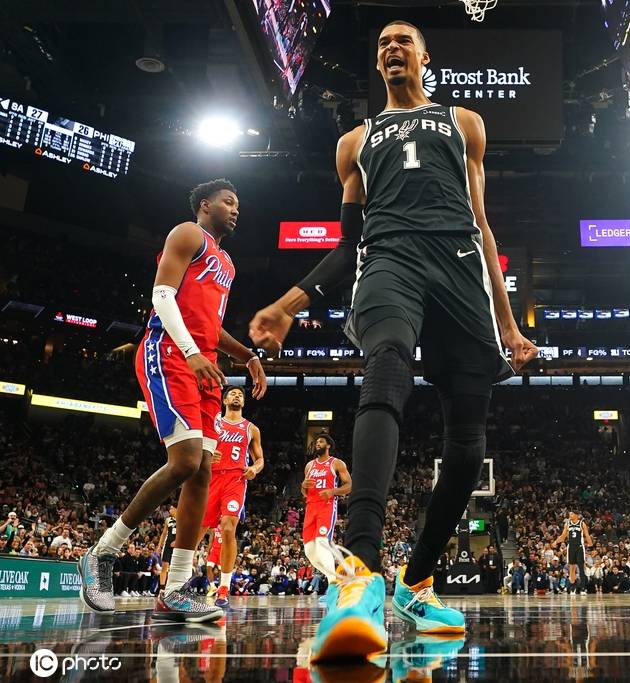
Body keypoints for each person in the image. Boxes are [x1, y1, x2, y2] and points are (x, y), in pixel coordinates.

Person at [248, 20, 536, 660]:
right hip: (388, 261)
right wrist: (290, 303)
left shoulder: (465, 123)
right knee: (385, 368)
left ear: (425, 56)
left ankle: (417, 580)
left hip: (459, 264)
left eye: (403, 39)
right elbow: (348, 244)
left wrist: (509, 323)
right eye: (382, 42)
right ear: (377, 64)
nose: (392, 47)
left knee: (468, 445)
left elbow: (483, 224)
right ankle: (360, 573)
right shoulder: (354, 142)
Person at [79, 178, 266, 622]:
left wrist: (246, 355)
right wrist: (191, 352)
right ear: (205, 205)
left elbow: (210, 325)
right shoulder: (187, 233)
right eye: (228, 201)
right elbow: (162, 296)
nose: (236, 209)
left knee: (202, 470)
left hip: (204, 364)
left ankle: (177, 588)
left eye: (238, 203)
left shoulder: (227, 263)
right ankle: (102, 552)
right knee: (185, 462)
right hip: (169, 352)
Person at [200, 385, 265, 608]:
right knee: (198, 530)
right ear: (225, 400)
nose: (237, 396)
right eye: (232, 394)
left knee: (228, 528)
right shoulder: (213, 421)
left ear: (243, 402)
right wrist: (206, 455)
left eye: (240, 395)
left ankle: (224, 589)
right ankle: (177, 583)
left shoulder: (251, 429)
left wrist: (254, 469)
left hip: (235, 480)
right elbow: (195, 446)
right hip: (211, 478)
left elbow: (260, 460)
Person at [300, 434, 352, 594]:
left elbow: (349, 485)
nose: (317, 444)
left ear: (328, 445)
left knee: (322, 542)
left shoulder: (336, 463)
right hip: (310, 507)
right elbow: (304, 492)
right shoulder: (309, 466)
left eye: (321, 441)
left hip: (326, 507)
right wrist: (303, 485)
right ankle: (336, 579)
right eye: (316, 442)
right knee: (309, 551)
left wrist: (332, 491)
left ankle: (333, 586)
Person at [554, 511, 593, 595]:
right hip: (571, 547)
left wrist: (591, 545)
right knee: (572, 568)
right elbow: (563, 536)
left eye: (571, 514)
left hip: (579, 547)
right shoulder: (567, 524)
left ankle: (583, 588)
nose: (570, 515)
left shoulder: (582, 524)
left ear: (576, 515)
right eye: (569, 514)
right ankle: (573, 587)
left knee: (581, 568)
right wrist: (556, 542)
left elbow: (587, 535)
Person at [155, 506, 178, 595]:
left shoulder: (182, 519)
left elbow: (185, 533)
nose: (169, 510)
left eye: (171, 508)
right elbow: (164, 534)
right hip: (167, 545)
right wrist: (159, 546)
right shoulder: (168, 520)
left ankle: (172, 588)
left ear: (176, 509)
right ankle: (161, 588)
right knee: (164, 566)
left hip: (177, 546)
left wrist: (177, 541)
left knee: (174, 568)